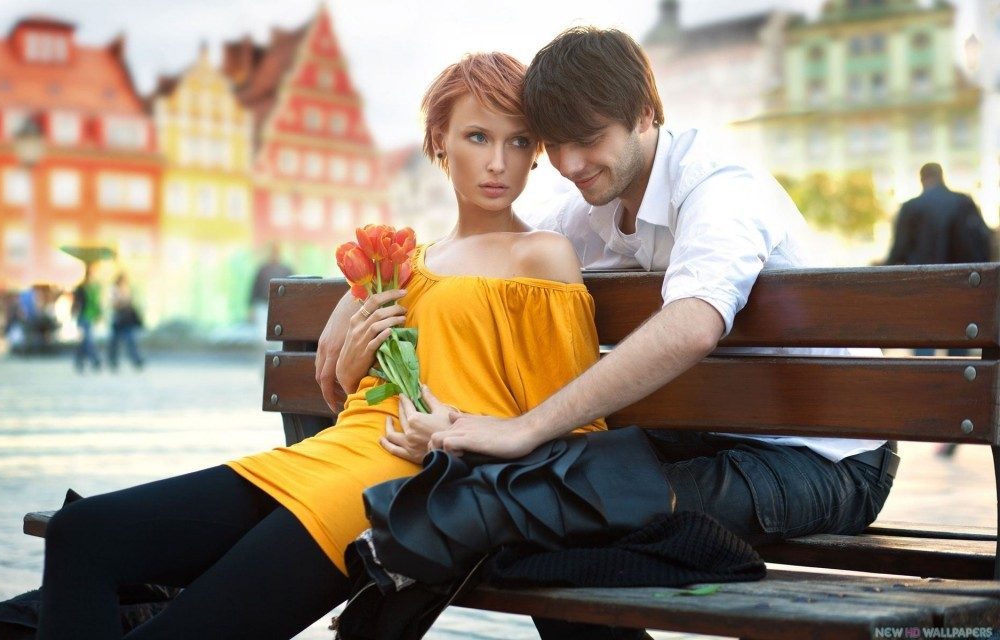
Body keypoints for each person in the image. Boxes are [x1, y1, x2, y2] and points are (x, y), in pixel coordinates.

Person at [319, 28, 899, 640]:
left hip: (827, 464)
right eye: (558, 144)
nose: (569, 165)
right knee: (535, 491)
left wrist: (523, 428)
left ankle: (381, 600)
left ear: (645, 114)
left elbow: (694, 324)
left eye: (589, 140)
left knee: (545, 498)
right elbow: (479, 252)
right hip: (703, 440)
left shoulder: (720, 186)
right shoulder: (591, 204)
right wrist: (367, 287)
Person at [37, 52, 606, 639]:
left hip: (395, 490)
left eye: (518, 143)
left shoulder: (540, 255)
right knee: (80, 533)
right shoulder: (409, 260)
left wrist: (455, 431)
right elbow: (360, 398)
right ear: (439, 141)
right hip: (329, 458)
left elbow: (577, 434)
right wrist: (359, 364)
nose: (497, 163)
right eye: (478, 136)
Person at [885, 162, 989, 457]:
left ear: (923, 179)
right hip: (963, 301)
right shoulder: (964, 202)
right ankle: (957, 421)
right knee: (961, 366)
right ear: (942, 177)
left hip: (925, 299)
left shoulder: (911, 208)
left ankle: (930, 418)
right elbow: (983, 246)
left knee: (925, 362)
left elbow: (898, 252)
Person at [248, 244, 292, 339]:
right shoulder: (262, 269)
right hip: (263, 307)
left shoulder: (286, 270)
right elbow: (254, 289)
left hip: (281, 308)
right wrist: (251, 308)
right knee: (262, 336)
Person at [107, 272, 145, 371]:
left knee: (131, 340)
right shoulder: (114, 290)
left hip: (127, 319)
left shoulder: (127, 289)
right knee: (115, 342)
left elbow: (130, 302)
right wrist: (122, 302)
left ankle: (136, 360)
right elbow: (113, 304)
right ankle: (113, 361)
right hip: (118, 319)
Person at [72, 262, 103, 373]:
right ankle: (95, 360)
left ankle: (79, 361)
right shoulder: (81, 287)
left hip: (91, 317)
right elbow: (76, 302)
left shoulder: (96, 287)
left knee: (85, 341)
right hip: (83, 316)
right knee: (88, 340)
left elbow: (97, 303)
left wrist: (99, 314)